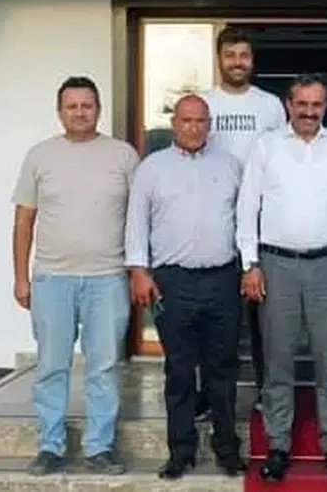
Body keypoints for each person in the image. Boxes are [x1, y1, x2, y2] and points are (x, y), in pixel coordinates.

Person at [236, 73, 327, 483]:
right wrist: (250, 263)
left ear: (326, 106)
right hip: (276, 265)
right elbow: (247, 206)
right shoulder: (267, 146)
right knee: (278, 360)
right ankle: (278, 445)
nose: (309, 112)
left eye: (316, 104)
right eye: (302, 104)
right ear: (289, 105)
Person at [11, 76, 139, 476]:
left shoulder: (123, 156)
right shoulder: (40, 156)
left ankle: (99, 447)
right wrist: (20, 278)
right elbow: (24, 220)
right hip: (52, 279)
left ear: (98, 109)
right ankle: (50, 446)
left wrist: (138, 270)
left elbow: (140, 218)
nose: (80, 112)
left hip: (107, 278)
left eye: (87, 105)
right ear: (60, 111)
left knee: (104, 367)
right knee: (52, 366)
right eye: (72, 106)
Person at [124, 95, 248, 480]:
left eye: (201, 121)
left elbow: (245, 220)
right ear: (174, 124)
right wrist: (139, 271)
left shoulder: (230, 166)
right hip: (172, 281)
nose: (194, 128)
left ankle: (227, 448)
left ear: (210, 125)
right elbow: (136, 222)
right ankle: (181, 450)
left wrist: (249, 267)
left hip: (222, 278)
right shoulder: (151, 168)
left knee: (222, 368)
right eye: (187, 120)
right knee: (179, 368)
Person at [201, 26, 287, 418]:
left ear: (252, 60)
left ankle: (268, 391)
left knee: (263, 317)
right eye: (230, 54)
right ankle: (212, 396)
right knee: (217, 318)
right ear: (219, 58)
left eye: (244, 55)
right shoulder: (205, 103)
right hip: (214, 220)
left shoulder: (270, 106)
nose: (238, 62)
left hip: (263, 221)